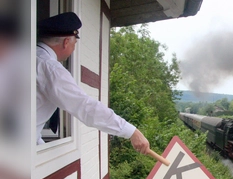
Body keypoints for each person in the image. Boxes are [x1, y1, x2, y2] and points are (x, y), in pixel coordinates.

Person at [36, 12, 150, 154]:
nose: (74, 48)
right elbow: (85, 107)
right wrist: (132, 132)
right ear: (66, 42)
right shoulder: (51, 69)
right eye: (75, 43)